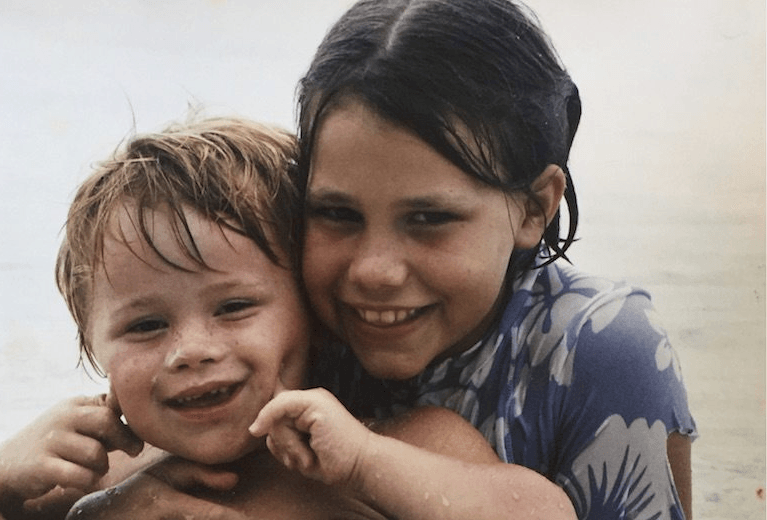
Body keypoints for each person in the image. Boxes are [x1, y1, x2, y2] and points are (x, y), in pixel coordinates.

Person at [0, 117, 561, 520]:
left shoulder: (401, 444)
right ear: (92, 347)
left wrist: (364, 463)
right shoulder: (101, 477)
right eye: (144, 326)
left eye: (235, 307)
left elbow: (542, 514)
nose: (190, 349)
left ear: (314, 310)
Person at [290, 0, 697, 519]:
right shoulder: (277, 319)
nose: (373, 271)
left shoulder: (596, 347)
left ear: (533, 208)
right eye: (336, 213)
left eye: (428, 219)